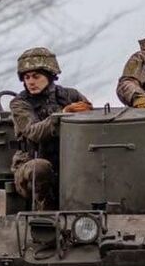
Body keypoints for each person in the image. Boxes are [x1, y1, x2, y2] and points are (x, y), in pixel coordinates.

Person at [9, 47, 91, 210]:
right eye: (26, 77)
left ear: (50, 76)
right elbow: (33, 132)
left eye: (36, 76)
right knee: (40, 167)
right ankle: (44, 215)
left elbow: (90, 121)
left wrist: (86, 110)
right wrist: (63, 114)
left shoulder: (70, 95)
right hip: (29, 168)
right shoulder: (20, 103)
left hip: (69, 162)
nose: (30, 82)